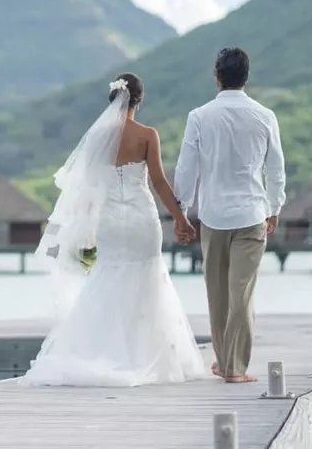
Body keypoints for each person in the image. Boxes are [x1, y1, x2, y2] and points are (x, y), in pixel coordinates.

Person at [19, 73, 208, 387]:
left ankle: (102, 351)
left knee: (108, 276)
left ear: (114, 98)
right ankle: (147, 355)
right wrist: (180, 219)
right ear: (139, 99)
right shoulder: (148, 135)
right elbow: (159, 182)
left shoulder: (97, 138)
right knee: (149, 278)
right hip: (141, 218)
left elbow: (89, 187)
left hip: (109, 219)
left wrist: (85, 226)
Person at [173, 47, 286, 384]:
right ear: (246, 77)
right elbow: (276, 169)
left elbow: (186, 169)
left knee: (217, 294)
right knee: (242, 293)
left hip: (213, 217)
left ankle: (227, 363)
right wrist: (275, 207)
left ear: (217, 76)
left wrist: (182, 212)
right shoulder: (265, 116)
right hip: (252, 215)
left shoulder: (199, 116)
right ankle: (232, 367)